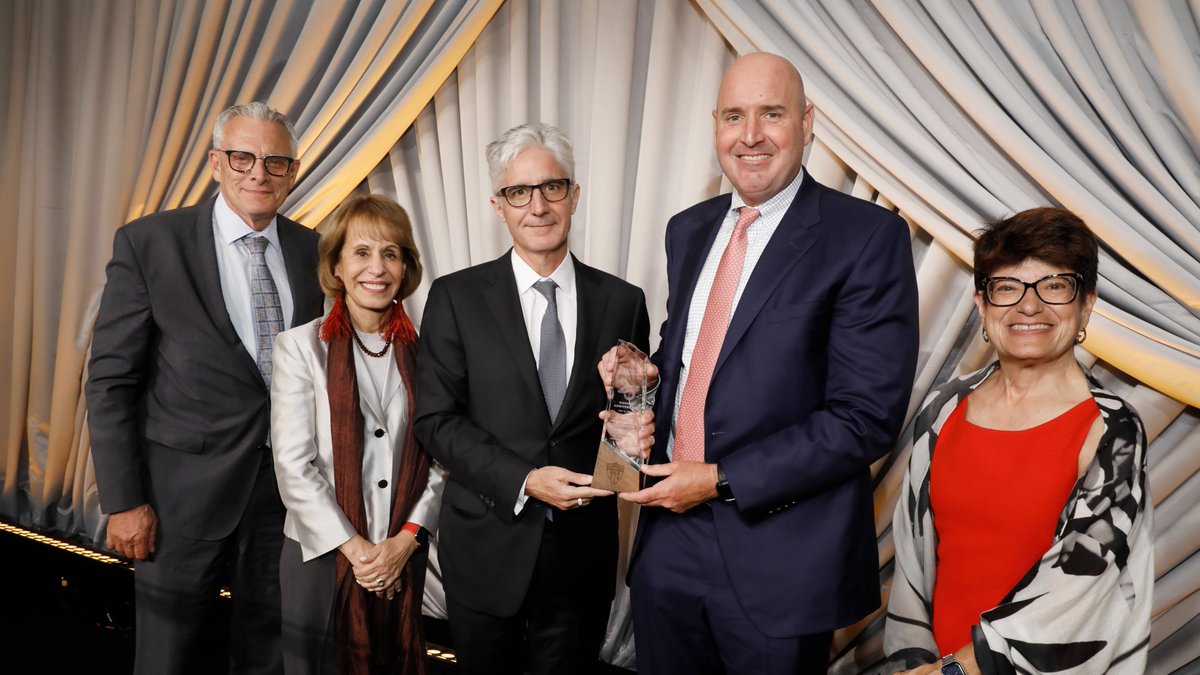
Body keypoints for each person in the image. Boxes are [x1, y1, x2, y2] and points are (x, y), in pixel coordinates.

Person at [614, 52, 920, 673]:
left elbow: (864, 417)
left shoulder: (865, 236)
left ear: (807, 123)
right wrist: (641, 377)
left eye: (771, 114)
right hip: (666, 539)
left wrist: (720, 477)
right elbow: (696, 353)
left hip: (781, 554)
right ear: (715, 126)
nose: (750, 135)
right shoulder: (689, 229)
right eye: (734, 116)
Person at [86, 102, 323, 674]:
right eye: (242, 157)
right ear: (216, 162)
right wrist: (124, 500)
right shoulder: (151, 243)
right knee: (170, 657)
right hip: (178, 499)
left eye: (275, 161)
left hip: (284, 495)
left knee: (270, 652)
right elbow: (111, 380)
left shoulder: (315, 250)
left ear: (293, 171)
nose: (258, 173)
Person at [414, 122, 650, 675]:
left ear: (574, 196)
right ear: (499, 205)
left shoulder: (622, 300)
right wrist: (525, 479)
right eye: (519, 192)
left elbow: (628, 420)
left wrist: (631, 445)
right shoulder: (456, 297)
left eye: (552, 188)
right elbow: (435, 420)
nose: (537, 205)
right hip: (487, 544)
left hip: (583, 553)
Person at [884, 207, 1153, 675]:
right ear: (981, 305)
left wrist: (960, 670)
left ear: (1086, 303)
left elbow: (1080, 586)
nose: (1029, 307)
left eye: (1054, 286)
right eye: (1007, 288)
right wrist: (916, 664)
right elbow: (911, 567)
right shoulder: (944, 411)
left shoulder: (1111, 428)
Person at [270, 195, 446, 675]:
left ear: (406, 266)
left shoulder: (431, 351)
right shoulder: (299, 347)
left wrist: (405, 541)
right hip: (320, 554)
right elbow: (292, 465)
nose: (378, 267)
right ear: (337, 266)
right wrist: (361, 554)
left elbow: (441, 459)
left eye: (391, 253)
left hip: (402, 553)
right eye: (362, 252)